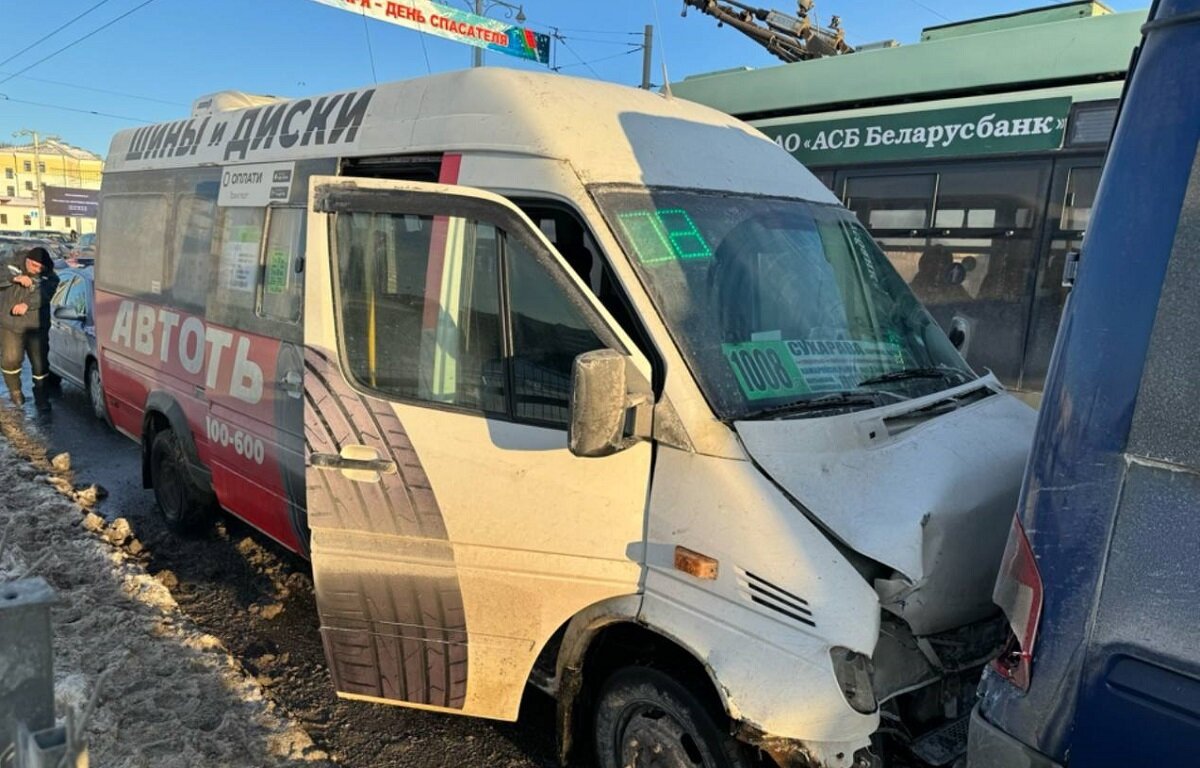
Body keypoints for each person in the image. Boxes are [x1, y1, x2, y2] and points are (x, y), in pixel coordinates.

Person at [0, 246, 59, 409]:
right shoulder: (9, 263)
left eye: (41, 268)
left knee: (40, 364)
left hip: (36, 327)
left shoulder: (50, 277)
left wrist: (27, 304)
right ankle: (15, 391)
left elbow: (45, 294)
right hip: (9, 324)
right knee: (10, 359)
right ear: (27, 260)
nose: (37, 270)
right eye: (34, 266)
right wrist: (15, 278)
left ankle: (42, 396)